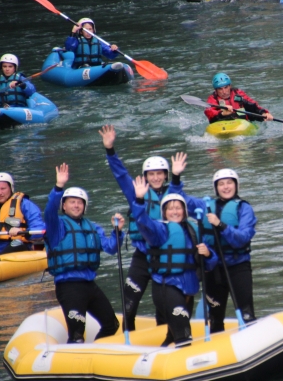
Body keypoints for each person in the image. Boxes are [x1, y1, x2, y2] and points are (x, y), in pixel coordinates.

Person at [99, 124, 179, 331]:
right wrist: (110, 150)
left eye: (159, 174)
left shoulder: (174, 193)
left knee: (163, 306)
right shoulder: (136, 191)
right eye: (151, 174)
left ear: (166, 175)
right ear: (145, 176)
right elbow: (121, 174)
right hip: (142, 256)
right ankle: (129, 338)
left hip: (166, 256)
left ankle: (167, 338)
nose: (155, 178)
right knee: (129, 304)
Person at [168, 161, 258, 333]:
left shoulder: (245, 209)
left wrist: (220, 225)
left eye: (229, 182)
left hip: (238, 267)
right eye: (221, 184)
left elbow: (242, 238)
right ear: (216, 188)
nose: (226, 187)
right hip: (213, 270)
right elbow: (178, 200)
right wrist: (176, 177)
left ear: (236, 185)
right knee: (215, 319)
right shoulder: (206, 206)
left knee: (247, 315)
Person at [131, 178, 217, 347]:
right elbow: (143, 223)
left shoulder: (194, 230)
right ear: (164, 213)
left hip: (188, 289)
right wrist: (139, 201)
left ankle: (165, 349)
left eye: (178, 208)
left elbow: (210, 264)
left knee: (173, 334)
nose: (175, 211)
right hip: (166, 287)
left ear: (185, 211)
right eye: (170, 209)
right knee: (183, 333)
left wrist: (208, 254)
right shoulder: (159, 230)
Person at [44, 163, 123, 344]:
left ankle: (96, 354)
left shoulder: (93, 227)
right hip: (69, 287)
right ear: (63, 206)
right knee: (77, 334)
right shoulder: (57, 226)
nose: (76, 205)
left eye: (80, 202)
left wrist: (117, 231)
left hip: (89, 285)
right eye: (72, 202)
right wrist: (59, 187)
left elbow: (111, 248)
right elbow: (49, 211)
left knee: (111, 324)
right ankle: (74, 364)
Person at [0, 172, 45, 256]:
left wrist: (23, 232)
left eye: (3, 188)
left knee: (16, 244)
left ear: (10, 188)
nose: (0, 193)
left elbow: (39, 228)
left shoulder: (25, 205)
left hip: (16, 246)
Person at [204, 73, 274, 124]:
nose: (224, 92)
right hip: (222, 123)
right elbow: (209, 112)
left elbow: (253, 105)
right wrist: (222, 113)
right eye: (220, 89)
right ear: (216, 90)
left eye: (226, 87)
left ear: (230, 86)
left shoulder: (238, 93)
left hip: (242, 122)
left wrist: (264, 113)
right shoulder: (213, 99)